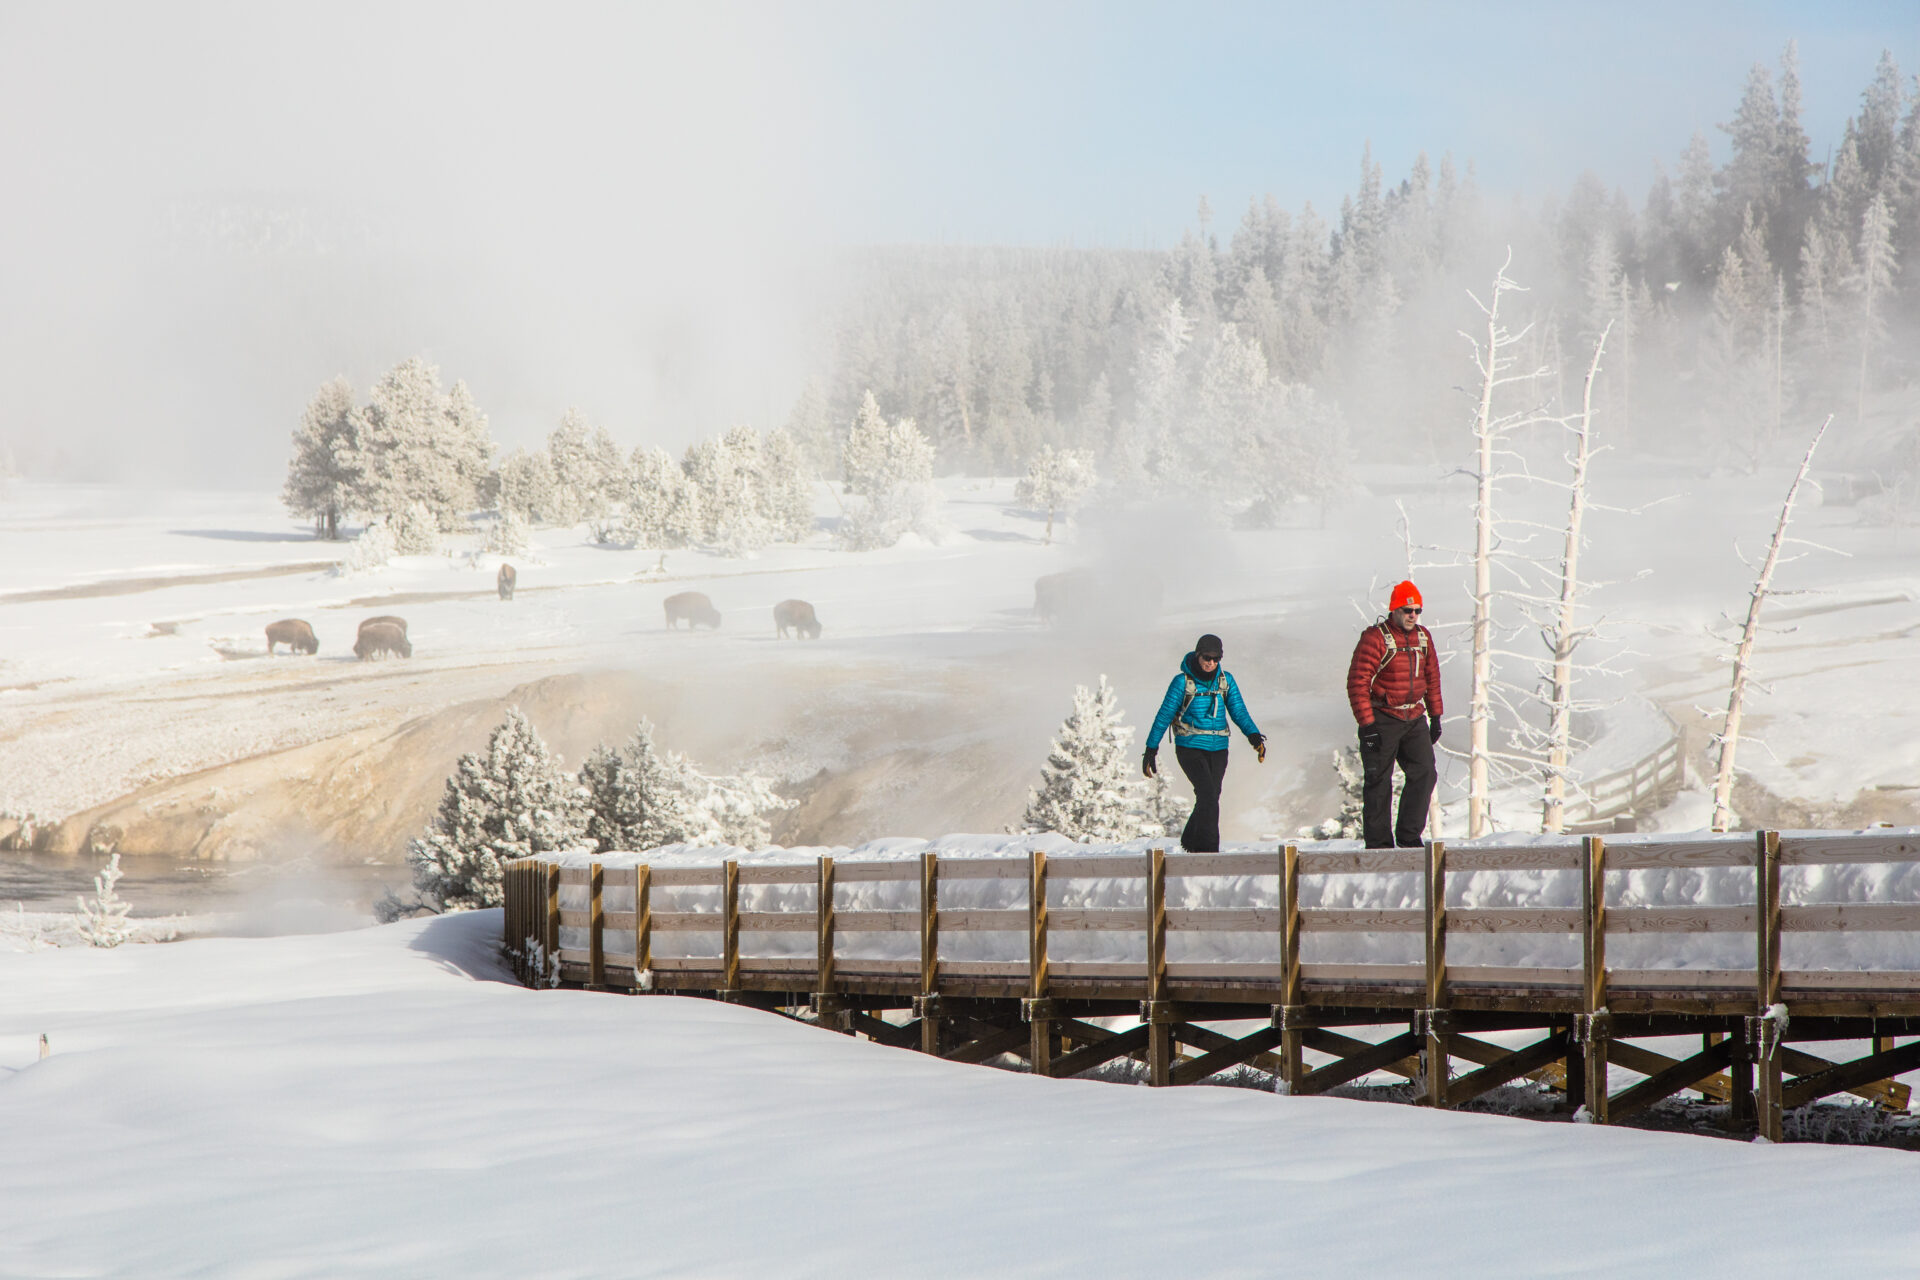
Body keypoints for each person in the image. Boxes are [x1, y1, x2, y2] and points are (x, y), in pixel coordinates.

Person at [1142, 633, 1266, 853]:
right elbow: (1164, 715)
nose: (1211, 663)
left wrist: (1254, 736)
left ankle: (1190, 841)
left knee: (1210, 796)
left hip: (1219, 748)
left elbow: (1238, 710)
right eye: (1207, 657)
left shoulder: (1225, 680)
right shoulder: (1182, 682)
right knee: (1208, 794)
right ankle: (1209, 853)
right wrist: (1151, 748)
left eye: (1216, 658)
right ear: (1198, 655)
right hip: (1189, 747)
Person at [1345, 581, 1444, 849]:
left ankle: (1409, 838)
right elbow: (1357, 682)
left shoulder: (1424, 637)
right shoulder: (1375, 638)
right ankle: (1379, 846)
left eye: (1417, 610)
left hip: (1414, 718)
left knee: (1425, 773)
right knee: (1378, 781)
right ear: (1394, 609)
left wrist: (1435, 716)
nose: (1413, 615)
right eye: (1407, 609)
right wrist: (1367, 725)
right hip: (1382, 718)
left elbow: (1432, 677)